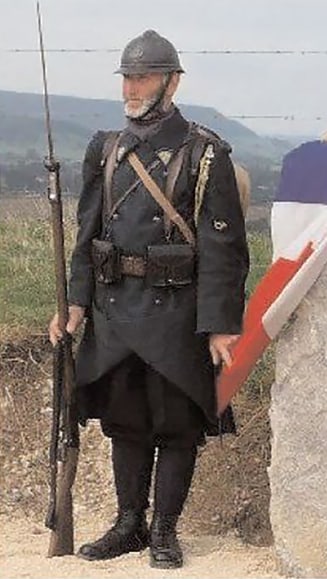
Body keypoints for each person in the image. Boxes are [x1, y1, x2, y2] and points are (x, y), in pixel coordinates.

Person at [48, 29, 249, 569]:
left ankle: (164, 529)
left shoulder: (206, 154)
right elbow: (86, 235)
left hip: (176, 311)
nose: (132, 88)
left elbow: (224, 246)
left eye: (143, 77)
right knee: (126, 420)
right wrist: (74, 303)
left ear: (172, 81)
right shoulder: (105, 150)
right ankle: (129, 524)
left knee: (177, 424)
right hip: (115, 309)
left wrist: (220, 325)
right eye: (128, 78)